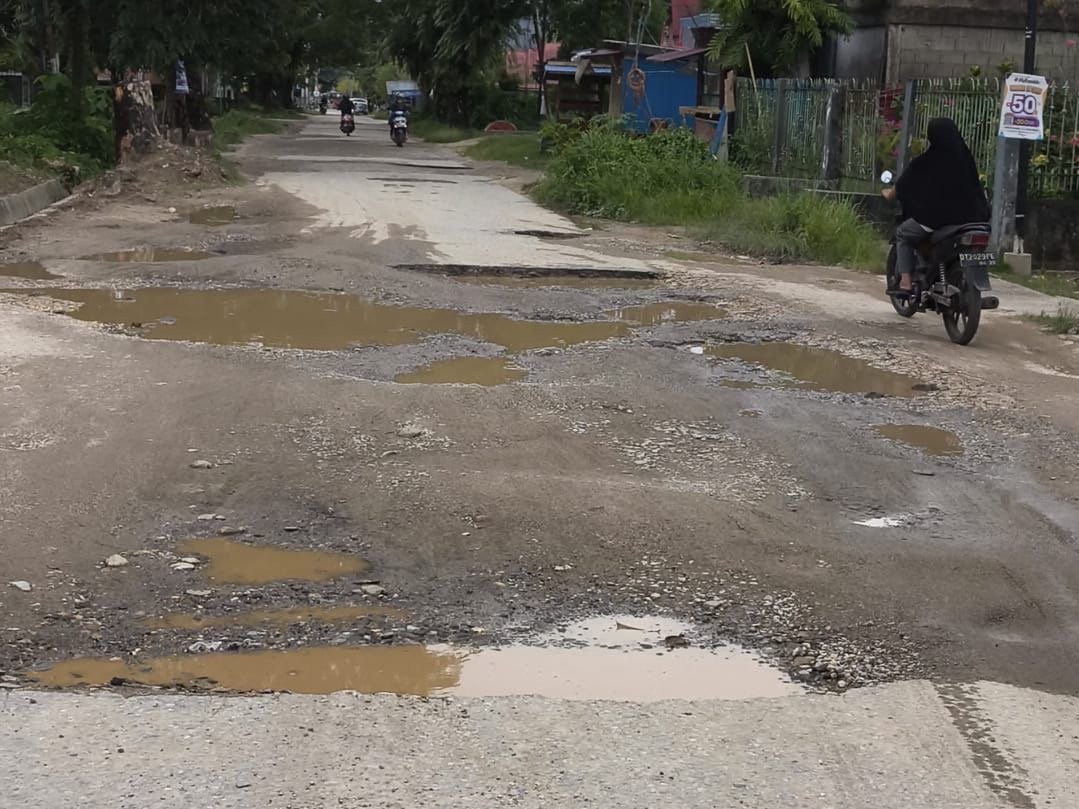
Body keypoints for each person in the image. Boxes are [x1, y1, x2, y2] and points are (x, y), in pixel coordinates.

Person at [883, 118, 990, 294]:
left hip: (938, 219)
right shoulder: (965, 158)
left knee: (903, 234)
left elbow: (903, 185)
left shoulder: (927, 160)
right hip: (973, 218)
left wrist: (889, 193)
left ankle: (906, 282)